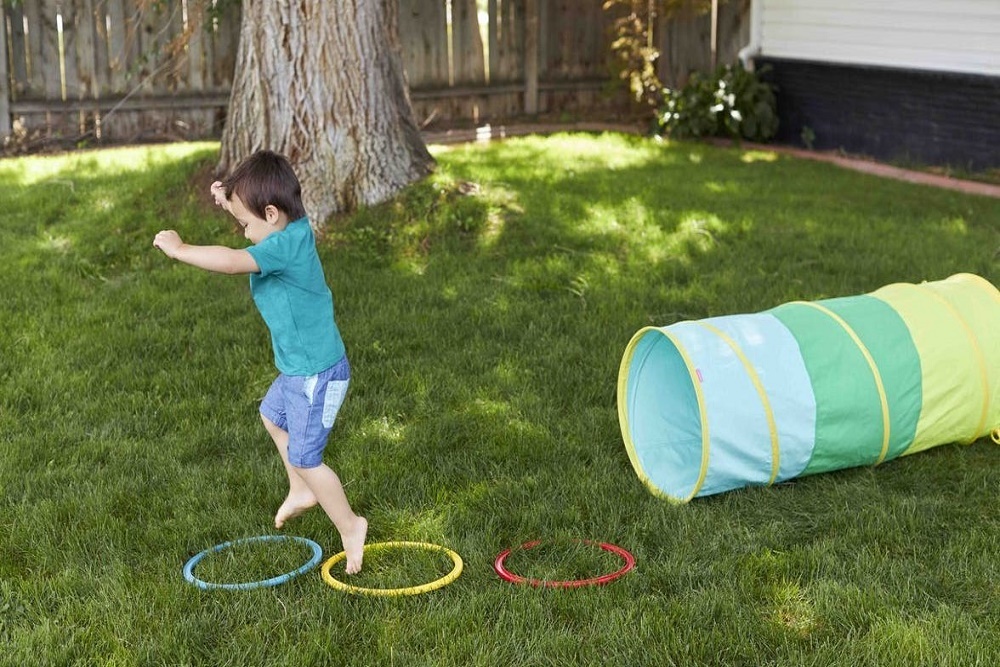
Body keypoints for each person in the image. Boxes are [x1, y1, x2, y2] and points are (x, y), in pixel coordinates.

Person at [153, 150, 368, 574]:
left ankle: (350, 525)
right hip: (298, 369)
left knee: (308, 456)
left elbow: (233, 262)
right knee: (273, 417)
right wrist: (228, 196)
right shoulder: (290, 226)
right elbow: (253, 219)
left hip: (316, 375)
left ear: (271, 214)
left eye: (246, 225)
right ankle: (301, 490)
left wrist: (180, 250)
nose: (244, 233)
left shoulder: (282, 248)